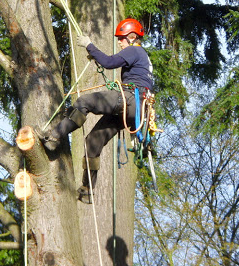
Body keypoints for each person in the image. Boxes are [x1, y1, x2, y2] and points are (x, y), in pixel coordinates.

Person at [39, 18, 154, 203]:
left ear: (132, 37)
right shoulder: (141, 56)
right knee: (93, 140)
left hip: (131, 99)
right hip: (136, 108)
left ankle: (54, 137)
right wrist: (96, 55)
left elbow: (109, 62)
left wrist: (89, 46)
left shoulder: (135, 50)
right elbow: (111, 61)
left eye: (122, 38)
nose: (119, 42)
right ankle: (87, 190)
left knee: (85, 101)